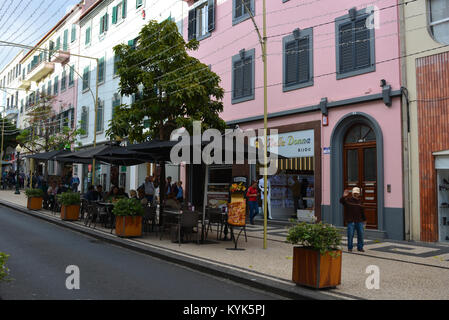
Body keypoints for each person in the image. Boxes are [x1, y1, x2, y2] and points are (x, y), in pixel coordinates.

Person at [340, 187, 366, 253]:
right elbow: (341, 201)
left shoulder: (360, 201)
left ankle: (360, 248)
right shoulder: (348, 200)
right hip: (351, 221)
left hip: (359, 221)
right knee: (350, 235)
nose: (355, 194)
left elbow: (362, 212)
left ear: (359, 194)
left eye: (357, 193)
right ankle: (350, 248)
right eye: (354, 193)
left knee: (361, 235)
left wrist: (364, 220)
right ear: (352, 193)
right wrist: (343, 196)